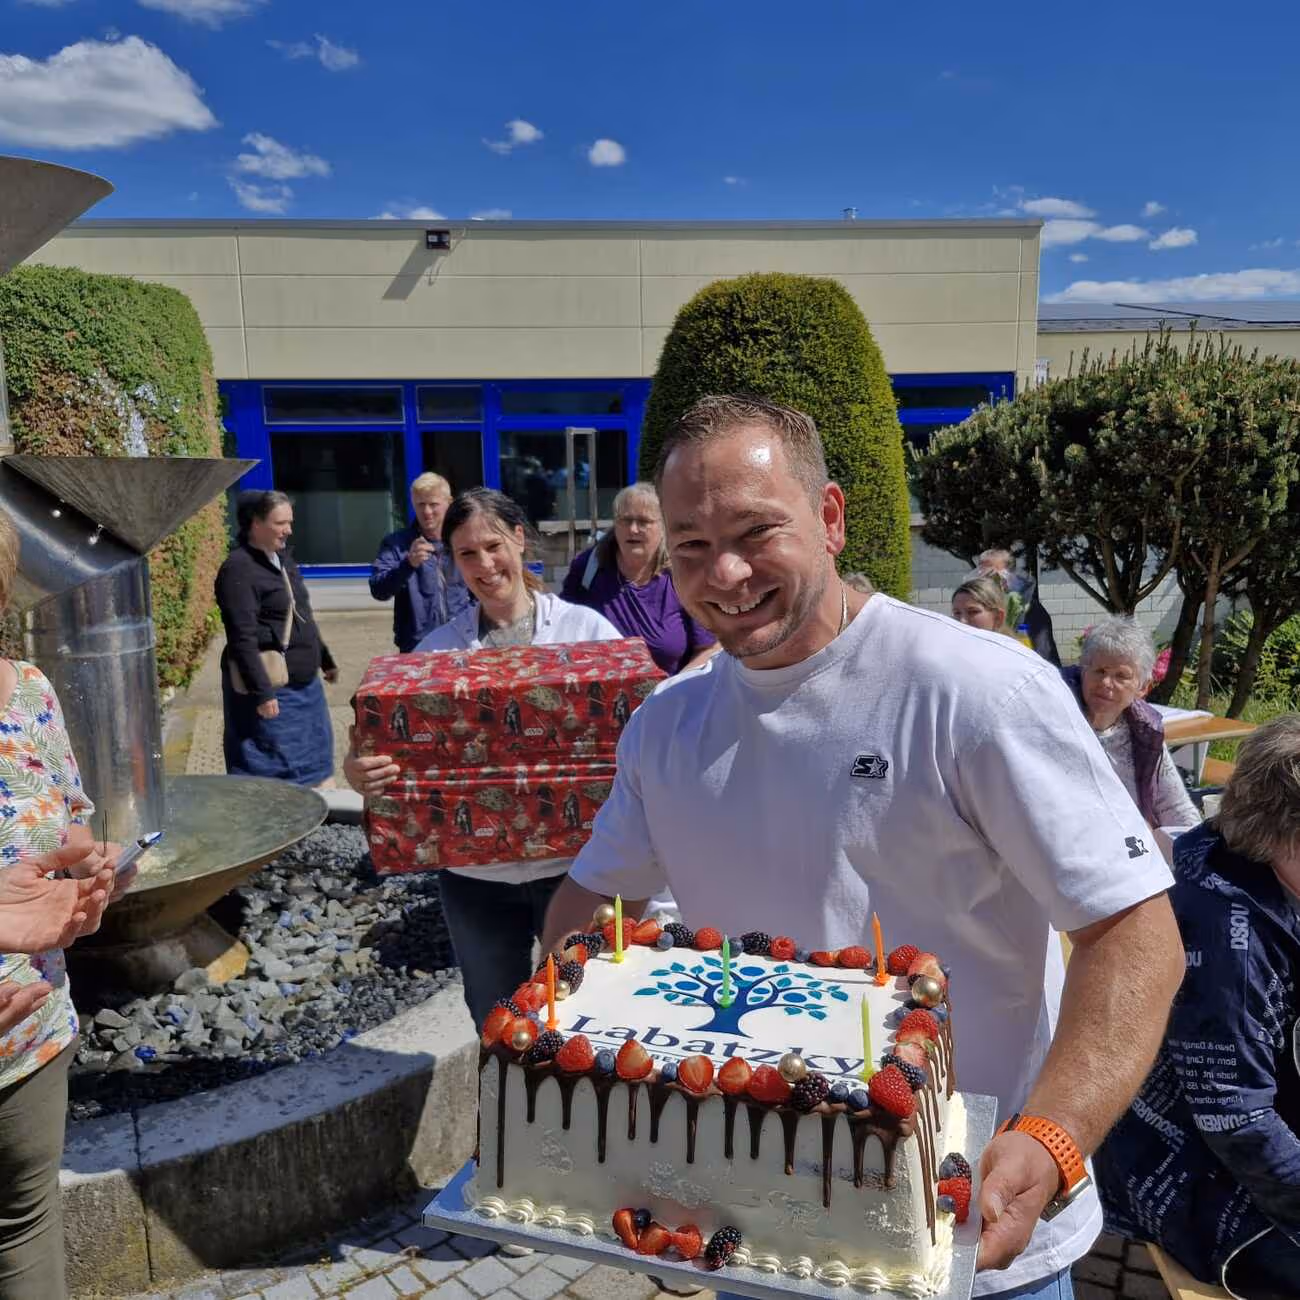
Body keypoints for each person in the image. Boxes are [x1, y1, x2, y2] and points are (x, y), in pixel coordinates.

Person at [538, 393, 1185, 1298]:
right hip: (759, 1223)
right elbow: (595, 904)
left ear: (831, 518)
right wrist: (552, 1047)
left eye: (756, 531)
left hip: (965, 1230)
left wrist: (1054, 1135)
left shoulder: (976, 691)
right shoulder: (665, 725)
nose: (725, 573)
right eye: (691, 545)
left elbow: (1136, 935)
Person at [344, 488, 624, 1025]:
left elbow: (637, 732)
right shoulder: (437, 652)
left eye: (493, 546)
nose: (484, 565)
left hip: (576, 870)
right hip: (476, 878)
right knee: (496, 1019)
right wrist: (361, 772)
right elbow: (381, 748)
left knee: (587, 1012)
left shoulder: (586, 633)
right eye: (467, 554)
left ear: (519, 539)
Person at [1096, 715, 1300, 1299]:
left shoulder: (1248, 858)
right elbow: (1237, 1120)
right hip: (1191, 1169)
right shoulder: (1232, 935)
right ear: (1281, 828)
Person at [0, 510, 123, 1300]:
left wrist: (92, 871)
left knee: (25, 1225)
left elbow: (70, 818)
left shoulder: (30, 692)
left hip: (32, 1037)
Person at [216, 491, 340, 789]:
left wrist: (324, 659)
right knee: (272, 773)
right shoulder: (239, 568)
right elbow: (241, 637)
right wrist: (263, 694)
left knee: (317, 766)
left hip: (305, 688)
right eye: (280, 523)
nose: (288, 530)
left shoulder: (283, 560)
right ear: (255, 523)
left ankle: (320, 812)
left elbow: (301, 615)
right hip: (273, 690)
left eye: (290, 522)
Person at [560, 481, 717, 675]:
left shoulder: (683, 574)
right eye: (625, 520)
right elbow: (561, 632)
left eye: (643, 521)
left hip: (669, 691)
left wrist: (673, 687)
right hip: (599, 690)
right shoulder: (588, 568)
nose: (633, 529)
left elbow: (709, 649)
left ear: (664, 526)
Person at [1062, 618, 1199, 832]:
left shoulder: (1144, 733)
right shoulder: (1060, 720)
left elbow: (1174, 806)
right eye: (1099, 671)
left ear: (1143, 687)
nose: (1106, 683)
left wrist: (1196, 848)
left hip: (1130, 843)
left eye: (1121, 676)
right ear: (1083, 670)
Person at [369, 472, 472, 653]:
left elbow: (480, 588)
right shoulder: (396, 544)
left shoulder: (464, 541)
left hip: (462, 640)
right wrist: (408, 564)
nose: (427, 512)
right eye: (420, 504)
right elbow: (378, 590)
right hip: (416, 646)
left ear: (449, 503)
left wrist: (471, 624)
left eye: (433, 504)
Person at [977, 548, 1061, 665]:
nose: (988, 582)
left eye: (994, 576)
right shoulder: (973, 608)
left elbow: (1045, 657)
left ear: (1011, 576)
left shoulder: (1027, 609)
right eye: (983, 576)